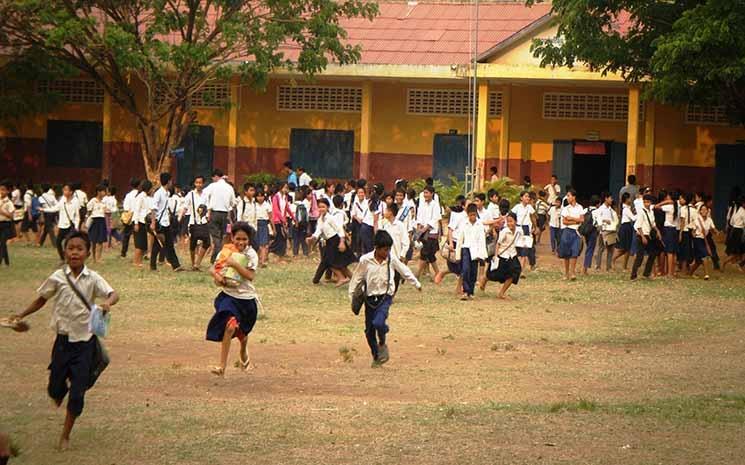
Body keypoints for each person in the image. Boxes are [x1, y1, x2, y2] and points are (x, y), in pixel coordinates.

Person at [11, 231, 119, 450]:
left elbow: (113, 293)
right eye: (70, 248)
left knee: (77, 394)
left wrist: (107, 302)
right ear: (65, 251)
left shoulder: (93, 278)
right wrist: (21, 315)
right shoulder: (58, 277)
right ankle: (60, 389)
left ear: (87, 252)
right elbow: (41, 299)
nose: (75, 252)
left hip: (85, 343)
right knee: (54, 389)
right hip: (62, 342)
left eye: (79, 248)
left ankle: (65, 435)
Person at [348, 230, 422, 367]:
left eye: (388, 249)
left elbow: (403, 270)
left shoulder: (391, 259)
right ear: (376, 248)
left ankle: (382, 340)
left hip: (385, 297)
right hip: (369, 298)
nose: (387, 252)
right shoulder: (365, 260)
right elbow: (357, 277)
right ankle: (377, 356)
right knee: (369, 331)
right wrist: (351, 295)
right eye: (384, 249)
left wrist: (416, 283)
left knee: (379, 323)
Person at [206, 223, 260, 377]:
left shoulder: (251, 255)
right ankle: (221, 367)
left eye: (244, 239)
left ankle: (243, 350)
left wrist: (235, 264)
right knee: (229, 327)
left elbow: (250, 276)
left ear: (249, 240)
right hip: (228, 297)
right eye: (238, 239)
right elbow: (217, 277)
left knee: (242, 333)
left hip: (246, 300)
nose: (241, 242)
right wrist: (216, 276)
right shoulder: (225, 253)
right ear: (232, 237)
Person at [307, 198, 354, 286]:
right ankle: (353, 280)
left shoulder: (331, 218)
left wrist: (342, 242)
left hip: (336, 240)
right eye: (319, 207)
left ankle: (342, 278)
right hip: (329, 242)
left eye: (323, 207)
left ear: (328, 207)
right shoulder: (320, 219)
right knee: (340, 264)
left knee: (331, 262)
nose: (321, 209)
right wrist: (312, 237)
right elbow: (318, 231)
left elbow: (339, 229)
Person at [483, 212, 523, 299]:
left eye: (511, 221)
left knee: (515, 272)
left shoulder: (519, 230)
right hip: (502, 255)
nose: (509, 224)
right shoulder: (504, 231)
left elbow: (521, 241)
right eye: (508, 222)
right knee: (495, 275)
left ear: (515, 221)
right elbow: (498, 244)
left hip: (512, 255)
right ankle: (485, 279)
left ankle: (501, 293)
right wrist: (496, 255)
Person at [150, 173, 183, 272]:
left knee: (169, 244)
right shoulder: (158, 193)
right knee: (158, 244)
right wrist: (153, 223)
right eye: (171, 181)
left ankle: (176, 265)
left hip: (166, 222)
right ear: (168, 181)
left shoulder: (167, 193)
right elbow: (153, 209)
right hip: (159, 223)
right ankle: (153, 265)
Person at [455, 204, 487, 300]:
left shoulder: (479, 224)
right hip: (466, 249)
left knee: (473, 271)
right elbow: (460, 239)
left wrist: (482, 254)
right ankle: (465, 291)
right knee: (465, 270)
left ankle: (471, 292)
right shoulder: (464, 224)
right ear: (468, 215)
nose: (472, 217)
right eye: (471, 215)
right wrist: (457, 255)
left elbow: (482, 240)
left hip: (476, 250)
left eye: (474, 215)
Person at [434, 195, 466, 289]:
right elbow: (450, 229)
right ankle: (443, 272)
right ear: (463, 206)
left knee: (464, 267)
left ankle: (458, 288)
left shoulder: (472, 216)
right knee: (456, 266)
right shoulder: (458, 215)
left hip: (465, 243)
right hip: (456, 242)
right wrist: (451, 243)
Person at [203, 169, 235, 263]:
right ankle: (217, 257)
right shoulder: (229, 187)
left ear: (216, 176)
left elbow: (204, 195)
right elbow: (233, 203)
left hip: (214, 213)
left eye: (213, 178)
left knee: (216, 237)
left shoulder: (213, 186)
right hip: (224, 214)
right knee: (221, 236)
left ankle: (216, 258)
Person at [631, 194, 662, 280]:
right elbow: (638, 226)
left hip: (648, 235)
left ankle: (646, 273)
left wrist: (657, 231)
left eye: (647, 202)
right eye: (644, 202)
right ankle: (633, 275)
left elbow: (652, 223)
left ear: (650, 202)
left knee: (653, 253)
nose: (646, 204)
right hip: (641, 235)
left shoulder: (651, 211)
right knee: (640, 256)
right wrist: (642, 237)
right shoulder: (641, 212)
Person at [415, 185, 441, 280]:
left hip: (431, 232)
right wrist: (419, 227)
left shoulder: (435, 205)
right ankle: (438, 273)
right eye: (424, 193)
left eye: (427, 193)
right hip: (423, 232)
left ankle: (417, 275)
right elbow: (419, 217)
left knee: (424, 253)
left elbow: (435, 219)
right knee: (430, 255)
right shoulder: (422, 204)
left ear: (432, 194)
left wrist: (425, 228)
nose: (425, 195)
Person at [558, 189, 584, 281]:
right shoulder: (566, 209)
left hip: (576, 232)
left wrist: (571, 219)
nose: (568, 197)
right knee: (566, 253)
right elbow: (565, 221)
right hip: (567, 231)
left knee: (574, 252)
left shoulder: (580, 207)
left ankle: (573, 273)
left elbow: (582, 220)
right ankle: (566, 273)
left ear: (574, 197)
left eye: (569, 196)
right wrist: (575, 221)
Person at [689, 204, 718, 280]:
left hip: (704, 240)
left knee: (698, 261)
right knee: (705, 255)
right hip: (697, 239)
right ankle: (706, 274)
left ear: (708, 211)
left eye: (705, 209)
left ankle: (690, 273)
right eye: (702, 210)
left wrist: (716, 232)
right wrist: (693, 234)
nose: (704, 211)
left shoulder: (709, 220)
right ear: (700, 211)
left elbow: (713, 228)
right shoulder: (697, 220)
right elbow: (693, 231)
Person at [511, 191, 537, 274]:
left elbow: (533, 217)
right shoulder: (517, 207)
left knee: (525, 250)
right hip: (518, 228)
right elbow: (511, 216)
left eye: (528, 196)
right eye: (526, 196)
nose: (528, 198)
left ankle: (521, 271)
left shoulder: (530, 207)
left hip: (526, 229)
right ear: (521, 198)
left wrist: (535, 227)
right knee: (517, 248)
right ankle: (517, 268)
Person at [655, 191, 679, 277]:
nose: (667, 198)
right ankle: (673, 271)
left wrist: (666, 202)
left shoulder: (669, 206)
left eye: (668, 196)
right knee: (674, 252)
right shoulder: (678, 206)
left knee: (669, 252)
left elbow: (656, 206)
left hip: (668, 229)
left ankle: (669, 273)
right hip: (675, 230)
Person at [56, 183, 81, 264]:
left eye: (66, 190)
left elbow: (77, 215)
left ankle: (69, 259)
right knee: (58, 242)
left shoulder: (75, 201)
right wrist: (44, 209)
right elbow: (56, 208)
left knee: (68, 243)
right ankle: (62, 258)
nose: (64, 191)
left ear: (71, 192)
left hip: (70, 225)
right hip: (62, 225)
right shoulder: (62, 199)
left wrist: (77, 226)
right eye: (63, 189)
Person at [85, 185, 109, 263]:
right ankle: (93, 258)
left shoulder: (104, 201)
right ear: (98, 192)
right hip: (94, 220)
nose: (105, 193)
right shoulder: (93, 200)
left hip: (102, 221)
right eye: (103, 191)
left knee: (100, 240)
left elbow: (106, 211)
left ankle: (99, 258)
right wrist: (86, 221)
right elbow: (88, 211)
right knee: (93, 240)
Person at [132, 180, 153, 268]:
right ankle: (136, 262)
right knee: (139, 244)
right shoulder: (140, 197)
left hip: (144, 222)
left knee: (143, 244)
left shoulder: (147, 197)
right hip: (139, 222)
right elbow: (137, 210)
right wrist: (136, 223)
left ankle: (139, 262)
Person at [270, 182, 294, 258]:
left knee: (283, 237)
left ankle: (282, 253)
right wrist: (283, 220)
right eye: (285, 187)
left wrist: (293, 217)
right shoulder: (276, 197)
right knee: (280, 237)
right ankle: (272, 250)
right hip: (277, 220)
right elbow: (276, 210)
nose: (286, 189)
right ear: (280, 188)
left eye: (287, 188)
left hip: (283, 220)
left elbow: (287, 208)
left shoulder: (285, 197)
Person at [595, 192, 618, 271]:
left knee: (611, 249)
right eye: (610, 198)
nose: (611, 200)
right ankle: (598, 266)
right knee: (601, 248)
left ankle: (608, 267)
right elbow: (597, 218)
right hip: (604, 231)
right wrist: (604, 220)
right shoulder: (601, 209)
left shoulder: (611, 209)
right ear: (606, 198)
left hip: (611, 230)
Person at [613, 192, 636, 270]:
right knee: (623, 248)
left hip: (628, 227)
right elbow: (633, 218)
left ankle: (624, 267)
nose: (630, 199)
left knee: (627, 249)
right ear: (626, 199)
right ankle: (613, 259)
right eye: (629, 198)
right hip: (625, 228)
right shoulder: (626, 209)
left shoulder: (627, 208)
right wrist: (640, 214)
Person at [723, 195, 745, 271]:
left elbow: (731, 222)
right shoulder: (742, 211)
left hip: (734, 230)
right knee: (736, 252)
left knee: (740, 250)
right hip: (739, 232)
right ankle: (725, 263)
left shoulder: (735, 211)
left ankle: (741, 265)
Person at [120, 178, 140, 258]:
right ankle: (139, 253)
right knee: (138, 237)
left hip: (129, 218)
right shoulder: (140, 195)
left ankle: (123, 253)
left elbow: (126, 207)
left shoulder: (128, 195)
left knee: (126, 236)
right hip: (138, 218)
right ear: (139, 185)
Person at [581, 195, 601, 275]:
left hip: (586, 231)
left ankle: (584, 268)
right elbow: (599, 224)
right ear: (597, 204)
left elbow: (581, 219)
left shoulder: (585, 209)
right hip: (593, 232)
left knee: (588, 248)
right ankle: (584, 269)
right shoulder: (597, 211)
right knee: (590, 249)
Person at [38, 183, 59, 248]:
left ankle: (55, 244)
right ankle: (40, 243)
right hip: (53, 212)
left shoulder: (41, 197)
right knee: (46, 229)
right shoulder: (52, 196)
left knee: (50, 229)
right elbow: (57, 204)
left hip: (46, 213)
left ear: (41, 189)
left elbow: (42, 207)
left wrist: (41, 216)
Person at [0, 181, 15, 266]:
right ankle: (7, 262)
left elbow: (12, 216)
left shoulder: (9, 203)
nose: (1, 192)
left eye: (3, 190)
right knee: (2, 244)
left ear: (8, 191)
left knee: (2, 243)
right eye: (0, 189)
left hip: (5, 225)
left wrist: (2, 212)